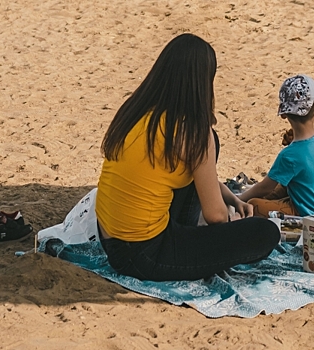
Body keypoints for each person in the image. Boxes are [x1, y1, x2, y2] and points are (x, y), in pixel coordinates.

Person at [95, 33, 280, 282]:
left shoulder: (137, 111)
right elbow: (216, 216)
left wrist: (231, 197)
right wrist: (232, 221)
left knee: (198, 163)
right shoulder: (194, 132)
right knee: (265, 233)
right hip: (144, 254)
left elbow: (191, 175)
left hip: (109, 239)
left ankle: (187, 234)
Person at [238, 74, 314, 218]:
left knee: (253, 205)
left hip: (308, 215)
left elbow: (265, 188)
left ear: (284, 113)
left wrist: (239, 199)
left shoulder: (290, 154)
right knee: (283, 187)